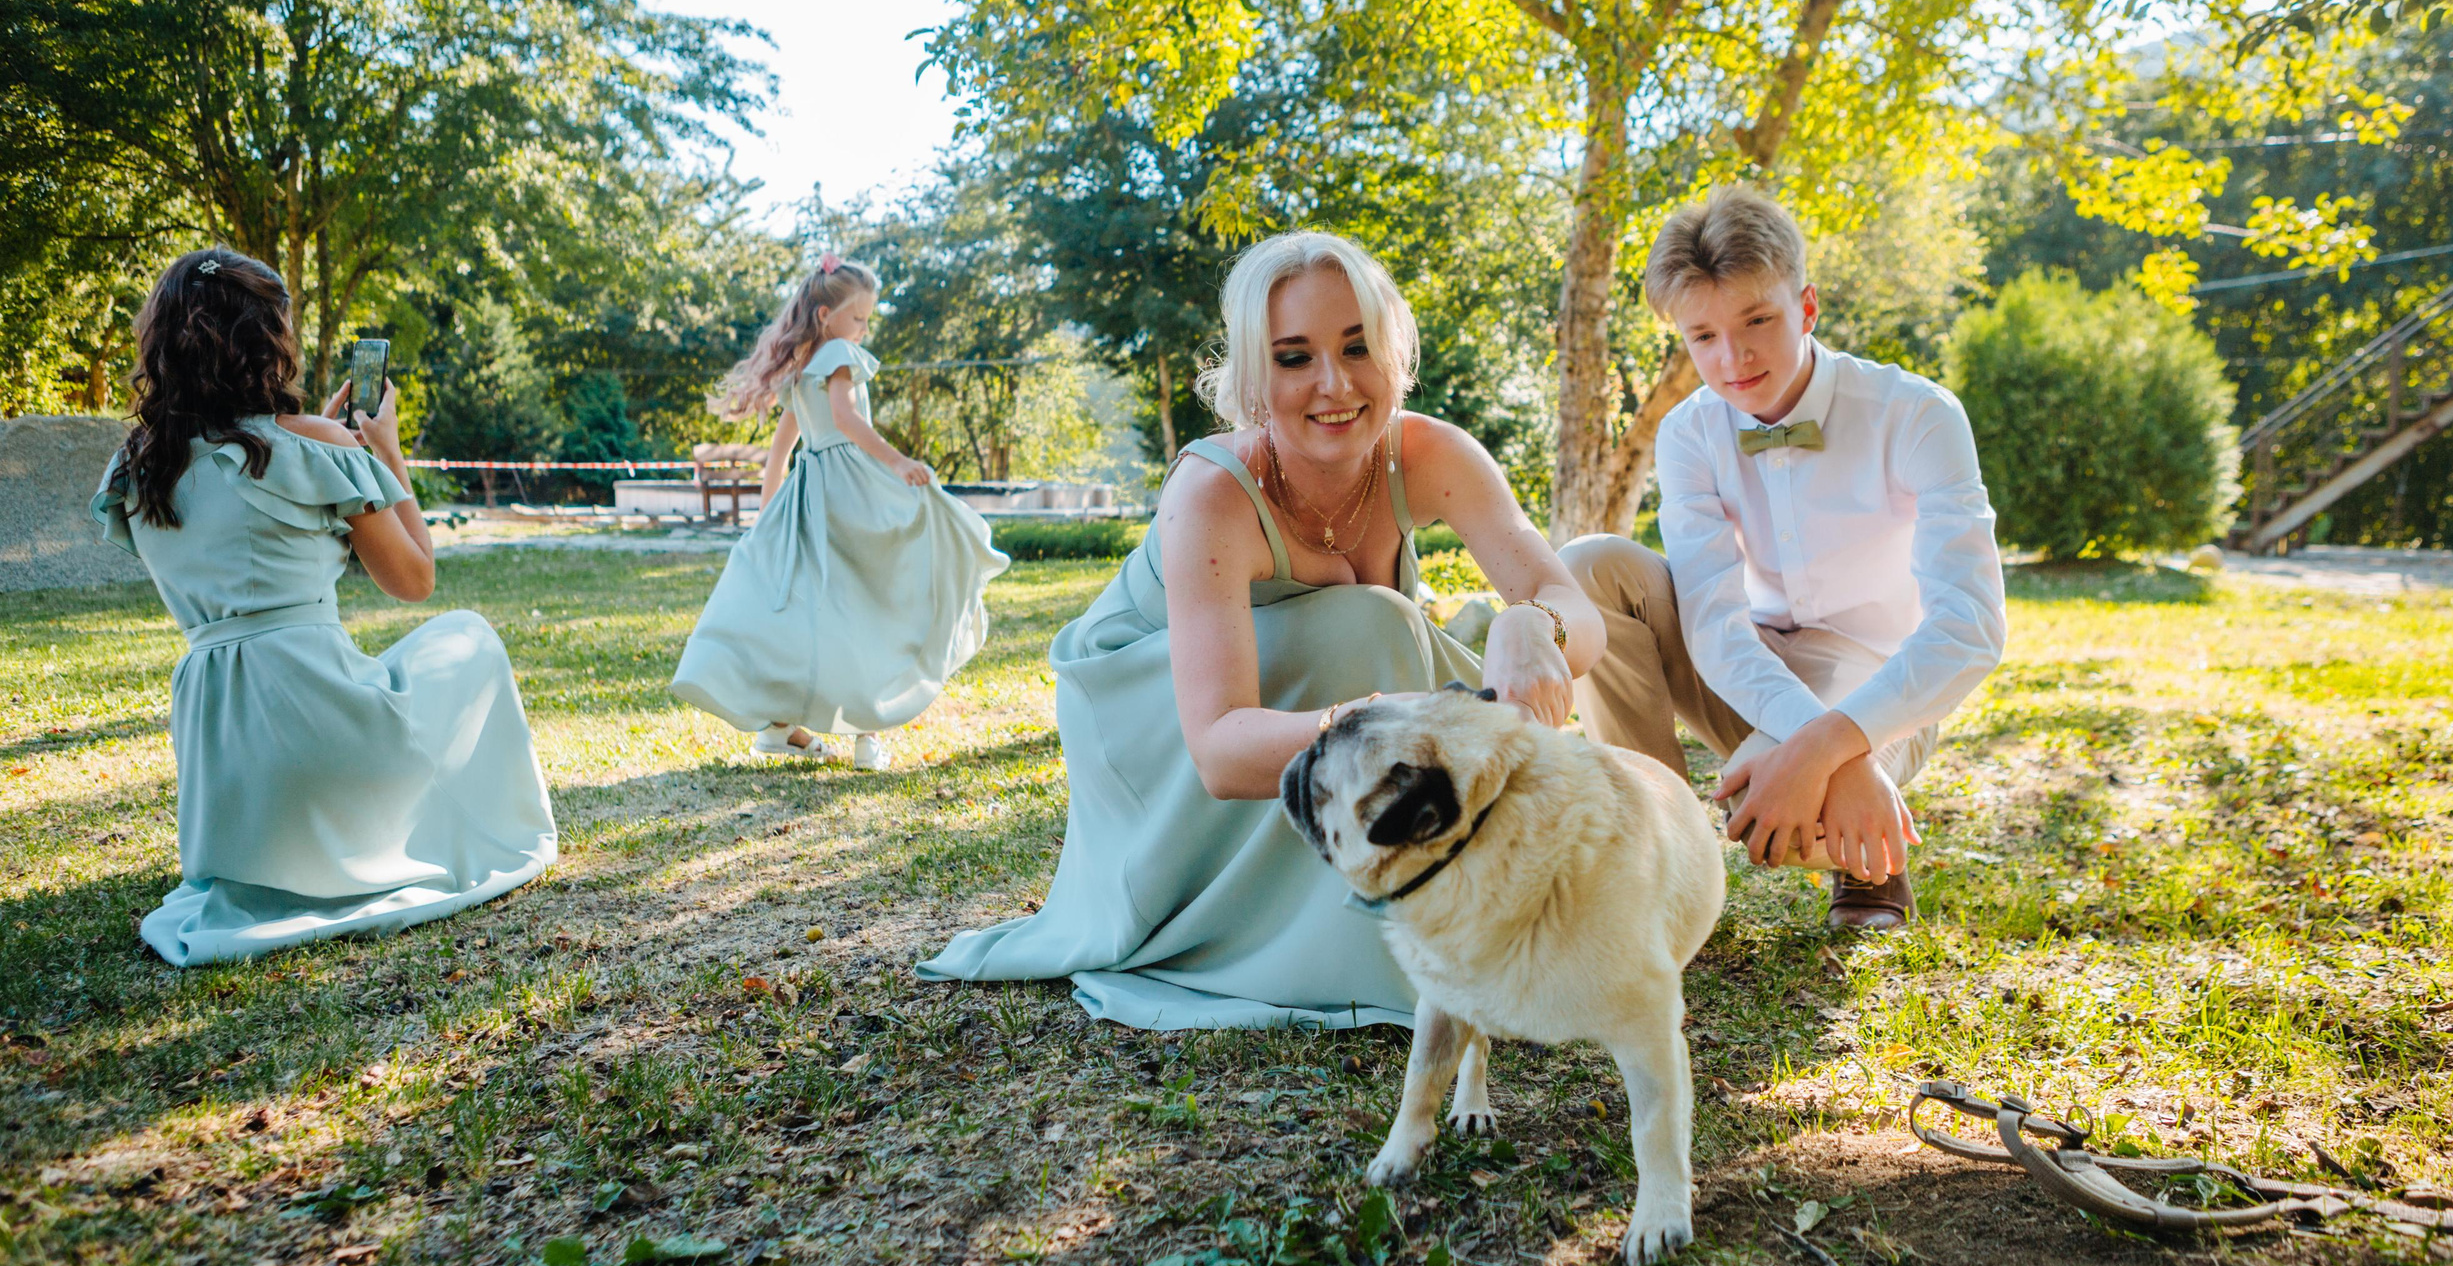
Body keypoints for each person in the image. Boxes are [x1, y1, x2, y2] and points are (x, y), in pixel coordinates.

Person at [919, 231, 1605, 1029]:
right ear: (1251, 378)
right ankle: (1355, 939)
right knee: (1378, 627)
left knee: (1441, 667)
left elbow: (1575, 609)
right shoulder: (1212, 493)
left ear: (1394, 354)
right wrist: (1376, 724)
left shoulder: (1431, 453)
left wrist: (1531, 624)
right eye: (1293, 357)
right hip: (1159, 713)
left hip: (1336, 696)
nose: (1334, 383)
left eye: (1358, 347)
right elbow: (1217, 747)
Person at [92, 247, 556, 967]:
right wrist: (381, 449)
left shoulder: (137, 467)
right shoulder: (322, 447)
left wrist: (330, 441)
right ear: (266, 341)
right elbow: (415, 578)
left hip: (224, 769)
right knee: (468, 636)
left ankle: (268, 858)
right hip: (326, 732)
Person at [1561, 186, 2006, 929]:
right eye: (1702, 336)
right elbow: (1713, 622)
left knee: (1773, 810)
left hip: (1880, 678)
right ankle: (1663, 856)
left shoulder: (1919, 414)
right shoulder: (1689, 433)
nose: (1731, 359)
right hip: (1749, 663)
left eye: (1757, 321)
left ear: (1806, 307)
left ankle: (1869, 857)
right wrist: (1813, 744)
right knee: (1588, 568)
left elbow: (1970, 627)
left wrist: (1834, 747)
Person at [671, 256, 1008, 768]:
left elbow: (781, 454)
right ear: (826, 314)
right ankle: (865, 735)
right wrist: (898, 462)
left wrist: (769, 519)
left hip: (809, 495)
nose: (864, 329)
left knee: (816, 606)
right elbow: (847, 420)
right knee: (871, 599)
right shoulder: (840, 355)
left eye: (868, 320)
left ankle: (783, 726)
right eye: (859, 319)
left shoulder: (800, 369)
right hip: (850, 487)